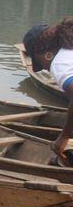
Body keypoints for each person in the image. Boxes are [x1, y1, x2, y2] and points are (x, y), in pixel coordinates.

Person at [22, 18, 73, 161]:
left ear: (45, 53)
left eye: (39, 62)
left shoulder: (60, 63)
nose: (44, 68)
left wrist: (63, 137)